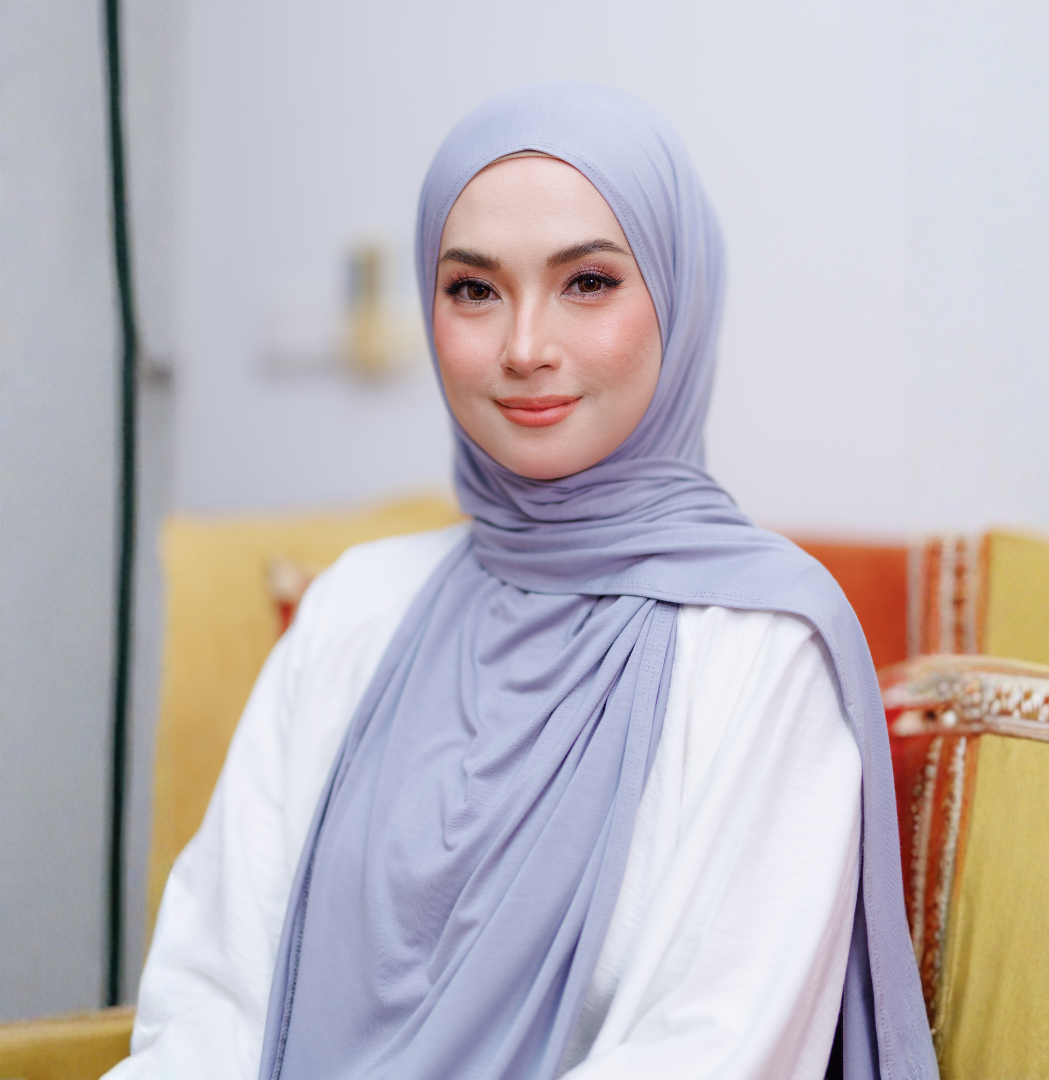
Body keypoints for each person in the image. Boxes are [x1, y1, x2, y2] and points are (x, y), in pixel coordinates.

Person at [108, 84, 935, 1080]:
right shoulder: (356, 607)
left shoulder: (761, 646)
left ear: (681, 297)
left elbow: (716, 1052)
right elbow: (214, 999)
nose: (525, 348)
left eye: (587, 282)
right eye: (474, 290)